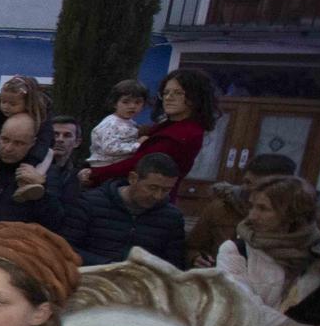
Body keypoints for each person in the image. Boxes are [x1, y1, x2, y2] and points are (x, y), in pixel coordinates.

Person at [216, 174, 320, 326]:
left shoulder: (317, 251)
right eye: (252, 206)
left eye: (263, 208)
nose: (252, 216)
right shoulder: (236, 250)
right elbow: (245, 307)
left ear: (292, 214)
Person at [82, 68, 214, 200]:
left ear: (195, 97)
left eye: (178, 93)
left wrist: (93, 174)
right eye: (166, 92)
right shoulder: (167, 126)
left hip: (147, 201)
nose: (168, 97)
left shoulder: (183, 133)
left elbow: (137, 164)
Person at [63, 152, 187, 269]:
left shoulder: (171, 218)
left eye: (166, 190)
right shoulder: (89, 203)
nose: (158, 196)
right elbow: (66, 248)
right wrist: (109, 266)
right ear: (133, 178)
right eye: (152, 188)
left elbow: (174, 265)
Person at [184, 152, 296, 268]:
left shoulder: (298, 220)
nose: (245, 188)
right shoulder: (220, 208)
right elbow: (192, 246)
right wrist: (195, 257)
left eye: (257, 186)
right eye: (246, 182)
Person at [0, 75, 51, 167]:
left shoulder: (41, 116)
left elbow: (43, 140)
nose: (6, 107)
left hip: (29, 160)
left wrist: (31, 162)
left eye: (13, 104)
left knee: (49, 153)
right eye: (3, 102)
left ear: (28, 103)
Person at [87, 79, 150, 167]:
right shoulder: (110, 124)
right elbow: (110, 148)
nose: (132, 106)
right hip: (105, 166)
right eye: (126, 102)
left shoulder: (131, 122)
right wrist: (138, 145)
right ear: (114, 103)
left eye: (137, 102)